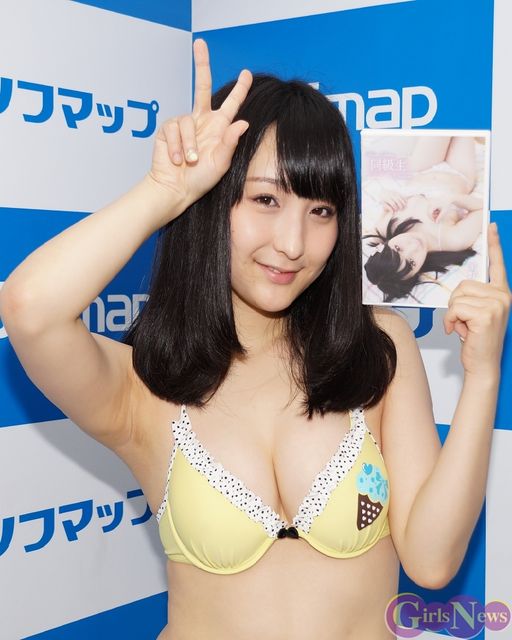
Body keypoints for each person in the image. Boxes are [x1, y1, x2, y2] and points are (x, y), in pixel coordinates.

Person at [0, 38, 510, 640]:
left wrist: (482, 377)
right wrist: (166, 192)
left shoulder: (376, 348)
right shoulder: (144, 385)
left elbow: (432, 562)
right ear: (215, 200)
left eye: (321, 211)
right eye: (265, 199)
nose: (292, 243)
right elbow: (30, 309)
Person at [362, 136, 484, 302]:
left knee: (442, 125)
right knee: (464, 129)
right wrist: (452, 199)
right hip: (458, 173)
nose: (414, 246)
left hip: (421, 166)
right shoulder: (450, 240)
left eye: (398, 248)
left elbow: (363, 241)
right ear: (417, 272)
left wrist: (384, 195)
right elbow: (483, 210)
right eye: (412, 263)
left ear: (384, 244)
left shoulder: (386, 226)